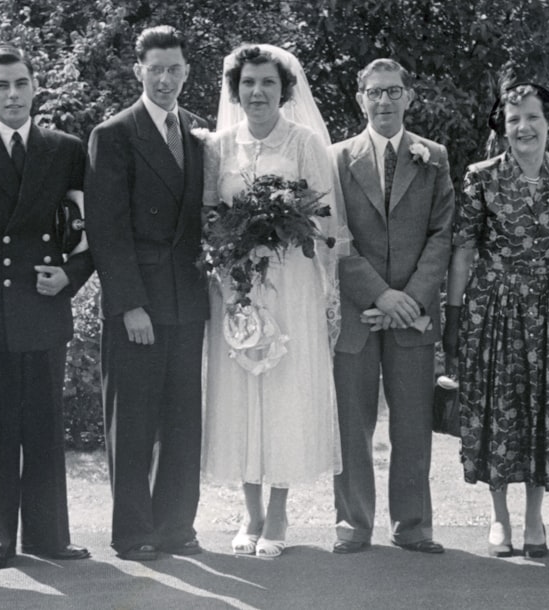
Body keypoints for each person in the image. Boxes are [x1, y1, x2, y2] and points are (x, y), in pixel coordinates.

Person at [0, 44, 94, 570]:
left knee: (46, 426)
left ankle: (50, 536)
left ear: (35, 86)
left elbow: (85, 231)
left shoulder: (66, 148)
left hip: (44, 305)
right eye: (1, 84)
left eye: (21, 83)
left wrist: (70, 277)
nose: (12, 94)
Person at [202, 44, 345, 558]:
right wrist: (228, 277)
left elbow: (324, 219)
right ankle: (251, 512)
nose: (257, 92)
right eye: (247, 84)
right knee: (240, 390)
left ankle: (279, 511)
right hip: (236, 286)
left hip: (291, 284)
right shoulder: (217, 146)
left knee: (283, 388)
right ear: (235, 91)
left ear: (284, 90)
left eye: (267, 83)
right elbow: (208, 217)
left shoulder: (305, 142)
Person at [443, 80, 549, 558]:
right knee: (496, 408)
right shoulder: (480, 176)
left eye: (533, 117)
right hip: (493, 306)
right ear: (502, 128)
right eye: (514, 119)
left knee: (541, 411)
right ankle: (499, 516)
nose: (524, 127)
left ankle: (534, 518)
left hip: (546, 308)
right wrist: (454, 314)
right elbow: (463, 248)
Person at [83, 25, 209, 562]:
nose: (164, 79)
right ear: (138, 71)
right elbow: (106, 229)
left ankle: (177, 525)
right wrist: (129, 303)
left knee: (183, 419)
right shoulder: (113, 134)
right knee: (133, 420)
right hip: (139, 299)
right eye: (154, 69)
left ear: (186, 72)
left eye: (173, 69)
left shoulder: (198, 132)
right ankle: (133, 531)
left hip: (187, 296)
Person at [329, 59, 454, 555]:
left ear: (409, 96)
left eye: (393, 91)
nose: (384, 101)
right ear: (360, 98)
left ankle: (413, 524)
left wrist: (409, 300)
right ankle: (353, 523)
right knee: (352, 423)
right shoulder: (336, 158)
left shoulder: (434, 156)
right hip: (358, 314)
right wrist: (379, 295)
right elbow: (332, 237)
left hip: (414, 314)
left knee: (412, 422)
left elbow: (442, 234)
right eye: (374, 92)